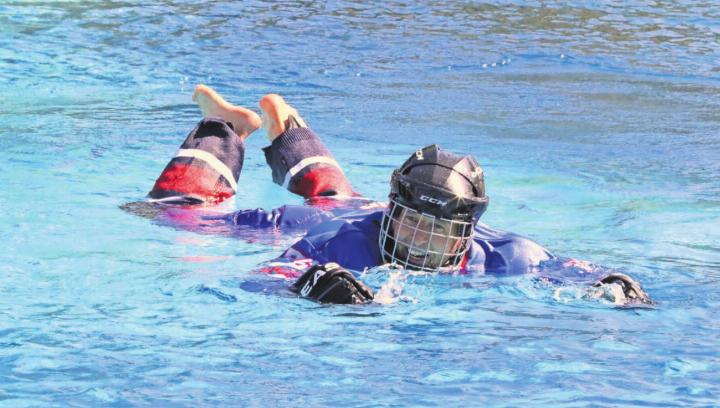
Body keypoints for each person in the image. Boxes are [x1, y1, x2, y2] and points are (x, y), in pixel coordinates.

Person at [137, 84, 652, 306]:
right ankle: (223, 127)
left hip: (351, 204)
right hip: (320, 222)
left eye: (436, 228)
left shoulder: (506, 255)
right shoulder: (338, 246)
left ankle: (287, 125)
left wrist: (614, 285)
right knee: (175, 216)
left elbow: (569, 271)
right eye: (411, 220)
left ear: (467, 230)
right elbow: (263, 278)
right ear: (394, 210)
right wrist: (309, 283)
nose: (418, 240)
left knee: (334, 191)